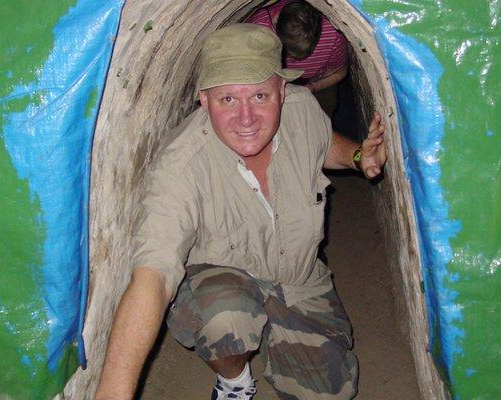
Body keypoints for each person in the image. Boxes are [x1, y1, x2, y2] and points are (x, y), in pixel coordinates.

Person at [96, 23, 386, 400]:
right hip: (226, 284)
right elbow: (152, 277)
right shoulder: (180, 166)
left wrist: (359, 155)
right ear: (204, 100)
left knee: (332, 392)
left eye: (260, 96)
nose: (246, 119)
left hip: (296, 282)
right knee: (226, 317)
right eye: (228, 100)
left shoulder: (301, 109)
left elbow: (321, 143)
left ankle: (276, 334)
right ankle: (234, 377)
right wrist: (112, 393)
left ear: (283, 92)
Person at [247, 0, 349, 116]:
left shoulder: (333, 35)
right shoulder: (258, 30)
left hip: (317, 82)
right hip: (271, 81)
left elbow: (339, 72)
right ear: (276, 27)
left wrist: (313, 87)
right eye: (289, 52)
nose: (296, 60)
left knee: (321, 117)